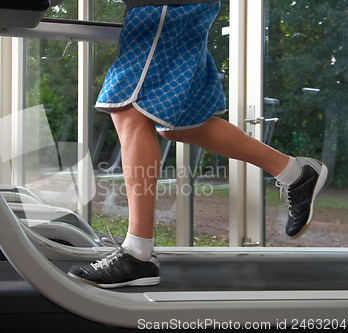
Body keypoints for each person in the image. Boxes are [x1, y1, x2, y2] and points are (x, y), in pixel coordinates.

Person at [67, 0, 328, 289]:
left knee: (128, 110)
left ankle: (137, 253)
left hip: (163, 7)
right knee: (179, 123)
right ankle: (295, 173)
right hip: (171, 8)